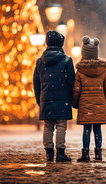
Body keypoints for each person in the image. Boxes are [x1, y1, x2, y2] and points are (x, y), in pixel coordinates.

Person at [33, 30, 75, 162]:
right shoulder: (67, 60)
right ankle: (61, 152)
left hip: (46, 99)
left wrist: (40, 100)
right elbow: (71, 82)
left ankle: (49, 153)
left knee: (48, 126)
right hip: (63, 100)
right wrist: (72, 99)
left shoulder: (40, 61)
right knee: (61, 125)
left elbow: (36, 83)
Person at [73, 36, 106, 162]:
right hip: (100, 104)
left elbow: (76, 90)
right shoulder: (103, 71)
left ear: (83, 54)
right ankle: (98, 153)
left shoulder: (80, 72)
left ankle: (85, 154)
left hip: (85, 105)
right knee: (97, 129)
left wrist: (75, 103)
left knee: (86, 129)